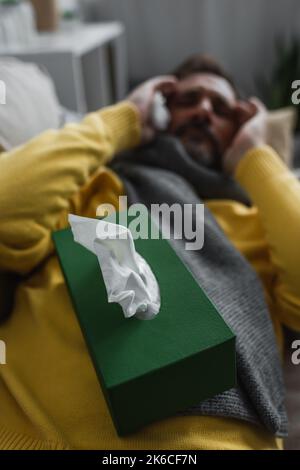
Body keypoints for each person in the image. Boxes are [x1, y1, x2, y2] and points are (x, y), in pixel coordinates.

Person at [0, 54, 300, 450]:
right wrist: (125, 120)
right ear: (159, 114)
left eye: (222, 108)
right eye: (186, 100)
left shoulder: (259, 221)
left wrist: (254, 155)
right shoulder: (93, 184)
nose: (203, 111)